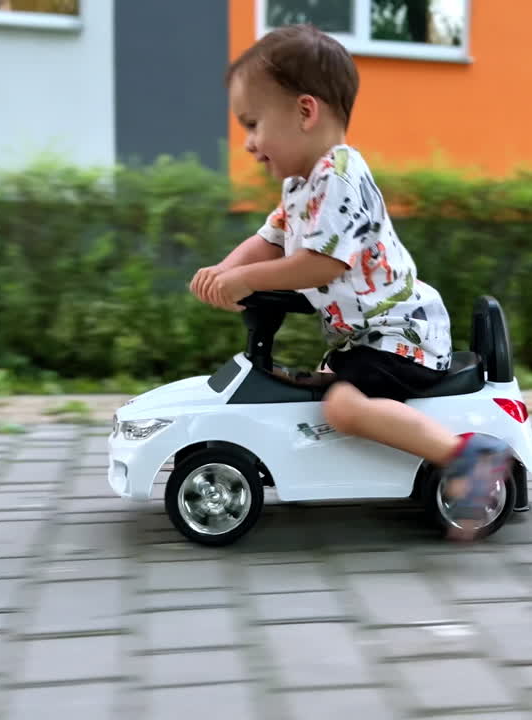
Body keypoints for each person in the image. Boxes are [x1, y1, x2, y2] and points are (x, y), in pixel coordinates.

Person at [188, 23, 512, 540]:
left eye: (253, 124)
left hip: (402, 335)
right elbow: (269, 241)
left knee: (340, 405)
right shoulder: (301, 185)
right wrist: (223, 273)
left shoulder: (340, 177)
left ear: (304, 111)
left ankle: (468, 458)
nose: (248, 144)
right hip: (367, 337)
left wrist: (245, 279)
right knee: (314, 388)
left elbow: (322, 265)